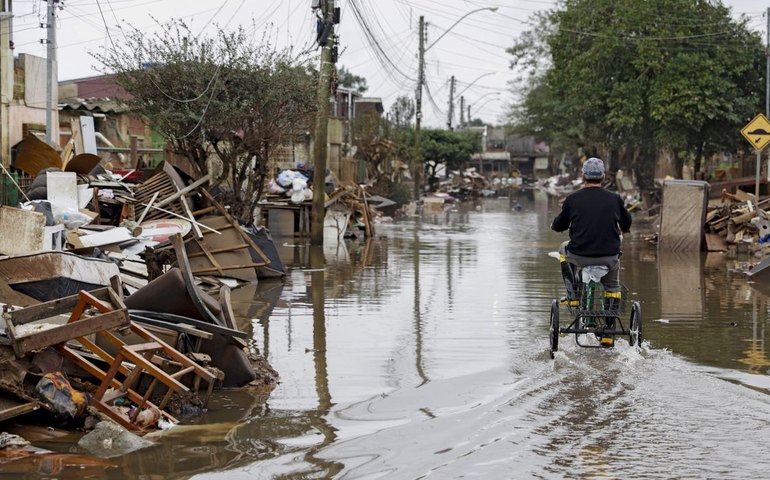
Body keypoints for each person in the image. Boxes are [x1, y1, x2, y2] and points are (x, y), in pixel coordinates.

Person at [551, 157, 632, 345]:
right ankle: (607, 334)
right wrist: (623, 228)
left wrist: (555, 226)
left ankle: (573, 296)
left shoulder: (572, 199)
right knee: (612, 287)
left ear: (583, 176)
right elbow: (627, 222)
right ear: (603, 176)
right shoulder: (614, 199)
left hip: (579, 256)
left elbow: (560, 223)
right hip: (608, 256)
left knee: (563, 247)